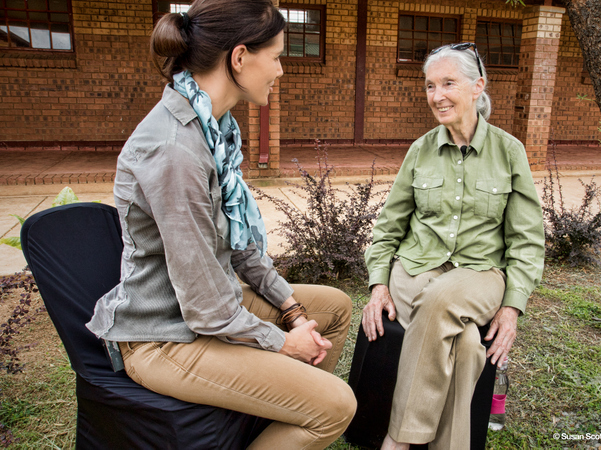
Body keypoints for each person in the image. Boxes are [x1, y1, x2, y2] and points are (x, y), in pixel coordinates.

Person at [85, 1, 356, 448]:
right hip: (165, 338)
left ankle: (276, 419)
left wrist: (292, 312)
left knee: (334, 307)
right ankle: (307, 409)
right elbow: (206, 308)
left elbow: (241, 242)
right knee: (336, 407)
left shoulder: (216, 130)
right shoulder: (175, 150)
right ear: (240, 57)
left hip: (202, 316)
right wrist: (284, 343)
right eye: (277, 56)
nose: (281, 71)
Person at [361, 43, 545, 450]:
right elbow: (388, 226)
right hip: (415, 268)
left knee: (443, 300)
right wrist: (378, 285)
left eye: (448, 83)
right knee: (464, 344)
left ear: (478, 86)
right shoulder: (420, 150)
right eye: (429, 85)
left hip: (480, 273)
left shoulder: (509, 151)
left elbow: (527, 239)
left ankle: (399, 439)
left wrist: (512, 307)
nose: (437, 95)